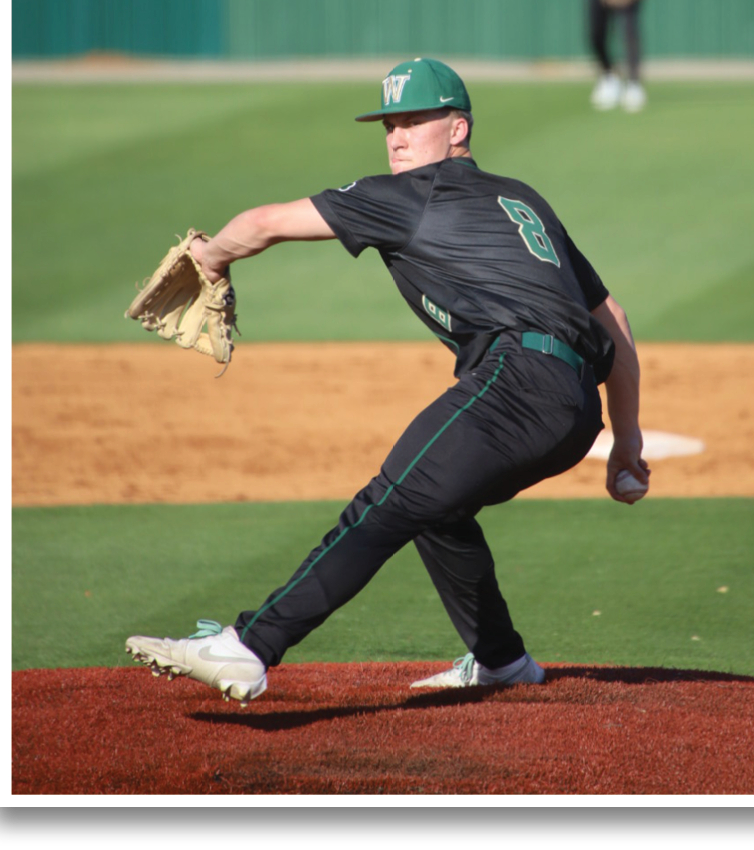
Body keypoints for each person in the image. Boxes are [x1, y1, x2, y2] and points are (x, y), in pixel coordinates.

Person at [126, 57, 649, 704]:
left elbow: (263, 223)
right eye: (389, 124)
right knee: (437, 503)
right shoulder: (523, 200)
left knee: (390, 499)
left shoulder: (408, 195)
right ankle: (502, 659)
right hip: (574, 410)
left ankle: (247, 646)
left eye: (414, 120)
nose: (397, 136)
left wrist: (208, 255)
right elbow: (614, 322)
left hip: (517, 383)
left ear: (457, 128)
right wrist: (625, 442)